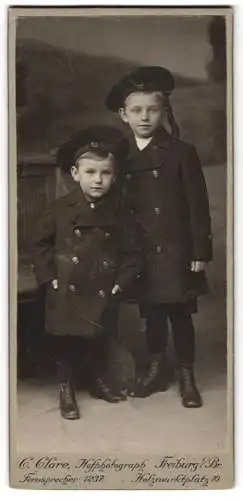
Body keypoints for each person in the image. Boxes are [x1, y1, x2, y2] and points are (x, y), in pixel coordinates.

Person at [105, 66, 213, 408]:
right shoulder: (119, 156)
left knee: (180, 314)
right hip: (141, 252)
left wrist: (200, 249)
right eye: (136, 110)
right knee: (151, 313)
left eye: (152, 109)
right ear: (124, 115)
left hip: (176, 249)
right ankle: (155, 366)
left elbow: (197, 205)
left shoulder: (182, 152)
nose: (145, 117)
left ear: (164, 111)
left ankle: (186, 374)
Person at [32, 126, 142, 420]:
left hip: (103, 286)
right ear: (75, 173)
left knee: (97, 338)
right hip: (67, 285)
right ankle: (66, 389)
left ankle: (96, 381)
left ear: (114, 176)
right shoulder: (59, 209)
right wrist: (50, 277)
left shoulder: (119, 212)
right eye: (91, 172)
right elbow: (39, 245)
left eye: (105, 173)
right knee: (67, 342)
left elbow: (133, 252)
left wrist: (121, 283)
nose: (98, 180)